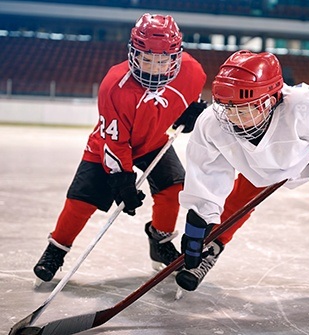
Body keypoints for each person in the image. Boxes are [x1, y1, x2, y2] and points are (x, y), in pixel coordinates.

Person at [33, 13, 207, 282]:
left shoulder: (193, 72)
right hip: (108, 145)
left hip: (153, 142)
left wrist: (190, 113)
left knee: (174, 188)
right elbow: (115, 141)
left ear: (175, 57)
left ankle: (159, 242)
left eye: (161, 60)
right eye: (146, 59)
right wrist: (122, 179)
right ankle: (56, 248)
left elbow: (188, 101)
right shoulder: (115, 85)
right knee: (82, 200)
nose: (153, 68)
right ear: (133, 54)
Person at [175, 50, 309, 291]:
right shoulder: (213, 123)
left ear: (270, 101)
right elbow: (208, 172)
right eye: (227, 108)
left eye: (242, 110)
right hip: (260, 167)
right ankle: (212, 248)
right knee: (236, 205)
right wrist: (199, 221)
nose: (232, 118)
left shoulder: (304, 104)